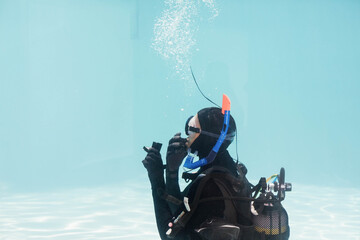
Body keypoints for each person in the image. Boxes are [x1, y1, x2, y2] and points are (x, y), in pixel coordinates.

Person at [142, 98, 254, 240]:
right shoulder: (233, 170)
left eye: (192, 131)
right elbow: (181, 209)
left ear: (206, 138)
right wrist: (171, 172)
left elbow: (170, 234)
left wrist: (157, 176)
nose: (187, 137)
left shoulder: (208, 185)